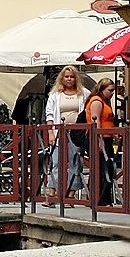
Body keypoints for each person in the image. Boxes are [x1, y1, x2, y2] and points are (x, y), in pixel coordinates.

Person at [44, 66, 90, 203]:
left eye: (72, 76)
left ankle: (71, 193)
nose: (69, 79)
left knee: (75, 162)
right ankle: (52, 192)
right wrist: (50, 132)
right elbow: (49, 114)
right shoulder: (55, 94)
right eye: (67, 76)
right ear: (62, 78)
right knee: (56, 162)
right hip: (59, 132)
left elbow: (87, 112)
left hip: (76, 133)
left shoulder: (84, 93)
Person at [86, 78, 118, 207]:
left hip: (107, 137)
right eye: (110, 90)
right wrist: (99, 139)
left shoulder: (105, 101)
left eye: (113, 90)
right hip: (101, 138)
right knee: (103, 168)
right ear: (102, 89)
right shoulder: (97, 102)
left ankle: (103, 198)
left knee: (107, 168)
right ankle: (99, 198)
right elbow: (96, 121)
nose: (112, 93)